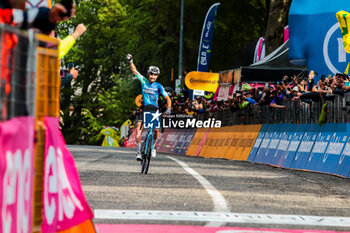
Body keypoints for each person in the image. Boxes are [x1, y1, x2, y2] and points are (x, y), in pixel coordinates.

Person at [126, 54, 171, 161]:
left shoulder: (159, 86)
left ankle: (153, 147)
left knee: (156, 130)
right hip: (144, 109)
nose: (152, 76)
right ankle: (138, 153)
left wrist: (168, 108)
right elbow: (134, 71)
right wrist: (130, 61)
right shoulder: (144, 81)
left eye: (155, 75)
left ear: (157, 76)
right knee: (138, 130)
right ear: (148, 74)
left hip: (154, 110)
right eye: (151, 74)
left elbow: (168, 99)